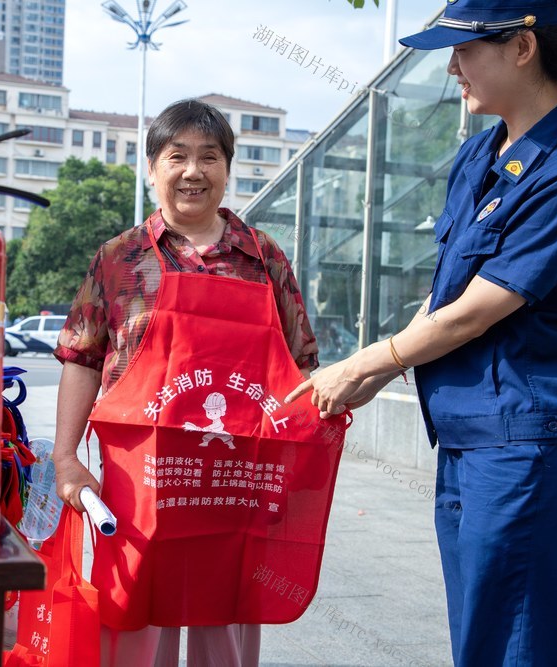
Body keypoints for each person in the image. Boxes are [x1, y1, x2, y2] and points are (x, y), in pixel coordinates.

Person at [286, 2, 557, 665]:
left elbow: (478, 310)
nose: (452, 67)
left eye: (464, 49)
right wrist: (375, 373)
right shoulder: (479, 155)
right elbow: (444, 300)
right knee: (481, 642)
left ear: (523, 47)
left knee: (514, 647)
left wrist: (363, 364)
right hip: (470, 444)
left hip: (526, 450)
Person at [53, 99, 341, 667]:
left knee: (225, 622)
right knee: (136, 614)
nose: (193, 171)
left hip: (238, 478)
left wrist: (296, 460)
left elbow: (298, 365)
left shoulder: (262, 256)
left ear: (227, 170)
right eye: (176, 156)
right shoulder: (119, 258)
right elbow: (80, 359)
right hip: (141, 480)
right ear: (153, 167)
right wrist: (66, 456)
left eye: (209, 157)